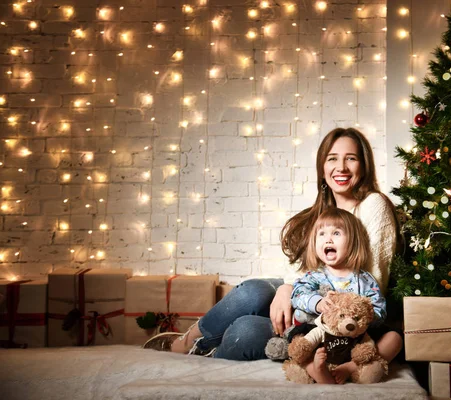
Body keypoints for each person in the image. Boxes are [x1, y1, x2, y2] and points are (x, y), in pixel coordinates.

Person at [143, 128, 403, 368]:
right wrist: (286, 289)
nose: (341, 167)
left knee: (244, 331)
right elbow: (297, 267)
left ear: (364, 165)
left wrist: (319, 310)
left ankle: (208, 352)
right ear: (322, 167)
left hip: (332, 316)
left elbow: (374, 281)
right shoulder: (319, 213)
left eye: (351, 159)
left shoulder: (372, 205)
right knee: (251, 292)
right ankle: (187, 341)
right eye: (332, 158)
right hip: (306, 290)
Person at [291, 207, 386, 384]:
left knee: (394, 339)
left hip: (354, 339)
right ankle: (315, 368)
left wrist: (361, 319)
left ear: (352, 242)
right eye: (321, 234)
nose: (328, 238)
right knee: (301, 341)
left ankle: (351, 366)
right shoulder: (315, 276)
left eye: (336, 233)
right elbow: (297, 294)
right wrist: (317, 303)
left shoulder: (364, 279)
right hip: (322, 337)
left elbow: (379, 309)